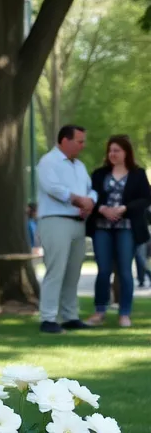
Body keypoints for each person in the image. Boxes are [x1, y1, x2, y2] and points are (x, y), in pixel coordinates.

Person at [85, 135, 150, 329]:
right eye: (110, 150)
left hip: (127, 228)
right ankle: (99, 311)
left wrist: (124, 209)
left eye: (117, 151)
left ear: (126, 153)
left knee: (124, 271)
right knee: (103, 270)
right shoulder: (99, 174)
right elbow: (91, 197)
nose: (112, 154)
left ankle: (124, 313)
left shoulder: (137, 174)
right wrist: (102, 209)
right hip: (102, 228)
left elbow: (146, 198)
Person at [35, 125, 96, 334]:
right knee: (56, 269)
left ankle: (70, 316)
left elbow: (91, 189)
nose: (82, 145)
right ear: (64, 141)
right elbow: (52, 188)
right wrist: (78, 200)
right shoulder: (48, 162)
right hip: (55, 220)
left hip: (78, 223)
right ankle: (48, 318)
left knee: (73, 271)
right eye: (79, 141)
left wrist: (90, 201)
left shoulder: (79, 165)